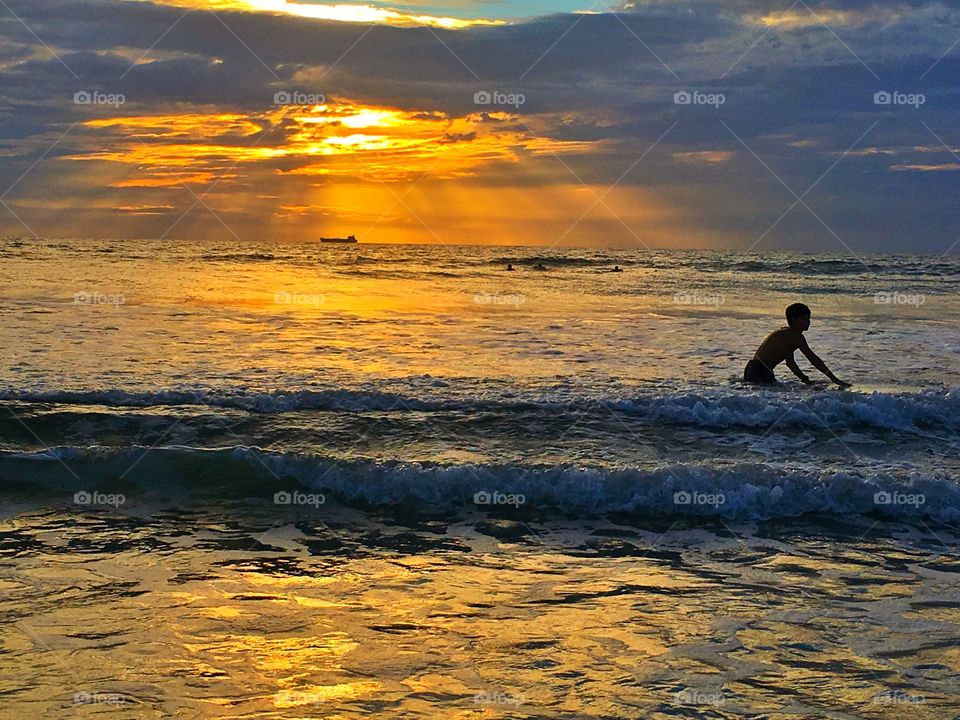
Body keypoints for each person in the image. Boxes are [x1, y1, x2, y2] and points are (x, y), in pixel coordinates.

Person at [744, 303, 851, 387]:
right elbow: (813, 358)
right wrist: (834, 379)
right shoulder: (796, 336)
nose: (808, 322)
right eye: (804, 319)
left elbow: (790, 363)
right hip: (760, 371)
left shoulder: (786, 334)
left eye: (809, 319)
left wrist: (805, 380)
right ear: (794, 320)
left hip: (752, 369)